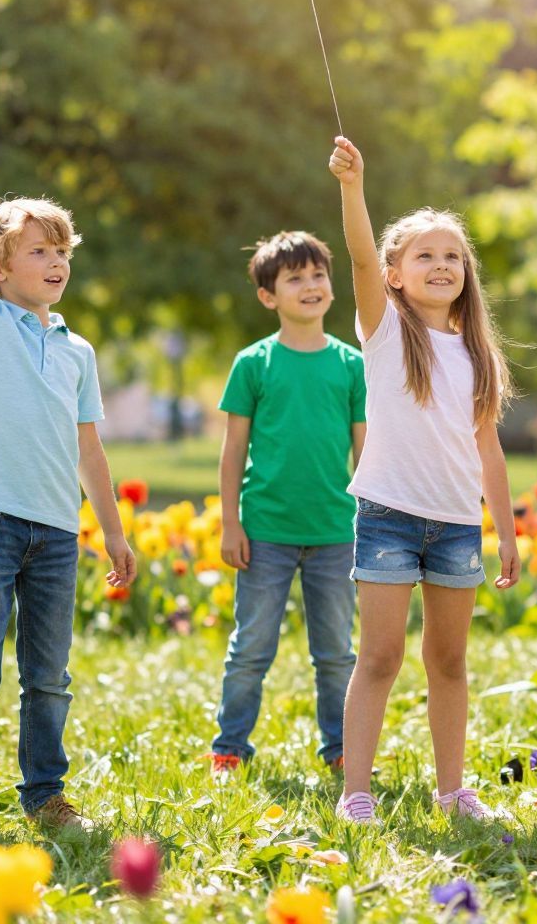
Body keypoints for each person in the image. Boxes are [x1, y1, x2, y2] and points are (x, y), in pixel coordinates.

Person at [0, 114, 137, 840]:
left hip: (54, 532)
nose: (55, 261)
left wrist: (112, 532)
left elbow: (91, 451)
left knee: (49, 678)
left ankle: (46, 795)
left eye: (62, 250)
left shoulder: (76, 349)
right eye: (38, 250)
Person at [327, 136, 521, 825]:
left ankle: (451, 791)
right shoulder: (384, 332)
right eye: (426, 255)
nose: (442, 265)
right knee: (378, 657)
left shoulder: (474, 352)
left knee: (449, 660)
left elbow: (488, 449)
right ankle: (357, 792)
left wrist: (505, 529)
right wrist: (354, 188)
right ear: (395, 274)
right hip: (388, 515)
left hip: (458, 525)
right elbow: (354, 253)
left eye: (453, 256)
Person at [209, 231, 365, 776]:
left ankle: (342, 748)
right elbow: (233, 453)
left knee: (337, 655)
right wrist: (231, 524)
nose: (310, 285)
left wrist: (373, 521)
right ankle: (229, 747)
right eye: (294, 278)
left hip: (335, 531)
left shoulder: (352, 365)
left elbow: (366, 454)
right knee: (251, 646)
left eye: (318, 274)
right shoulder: (253, 363)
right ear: (268, 296)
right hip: (266, 531)